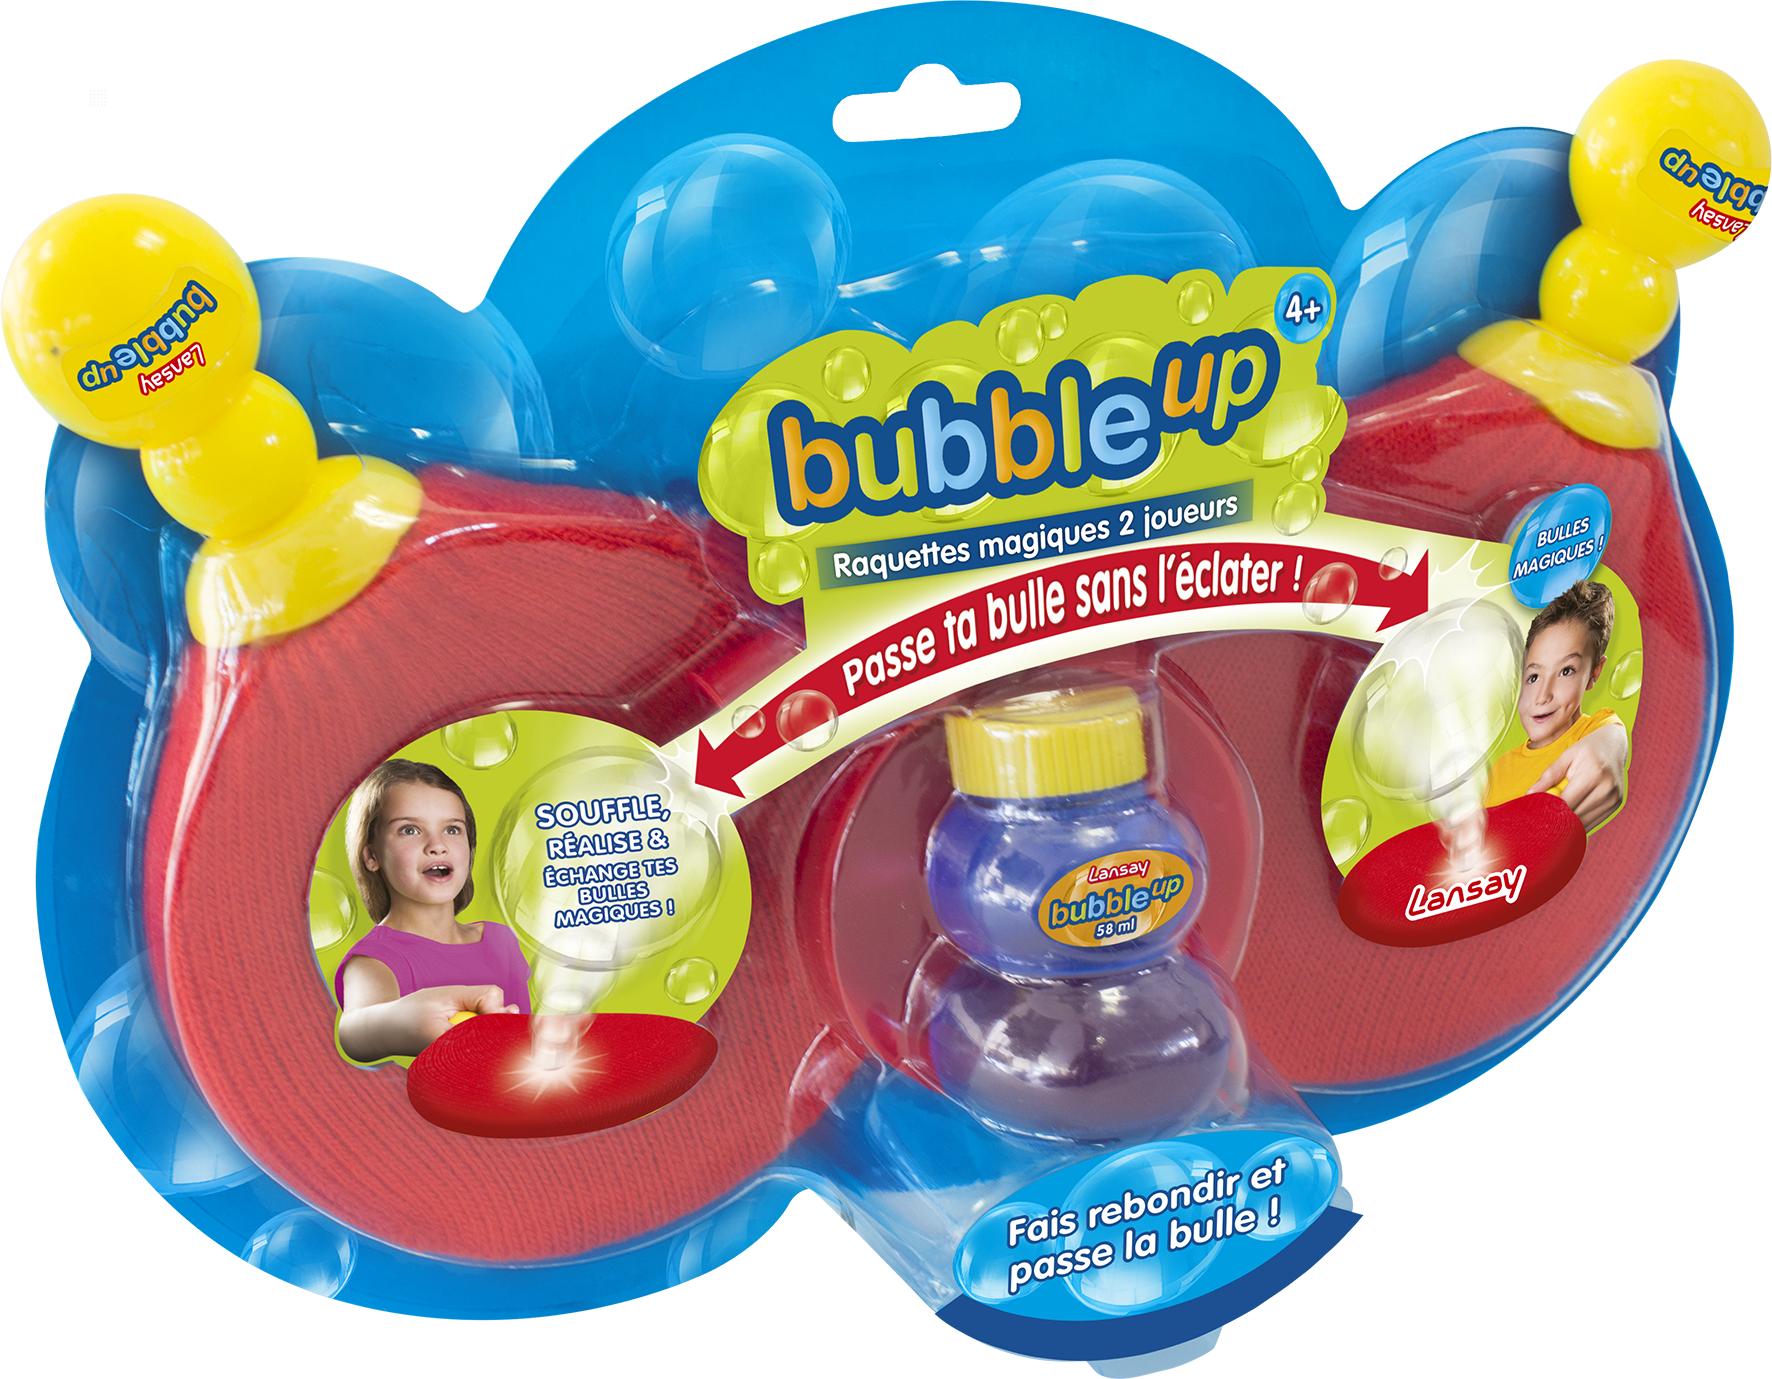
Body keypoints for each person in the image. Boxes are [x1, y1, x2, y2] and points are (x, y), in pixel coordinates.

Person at [333, 758, 532, 1061]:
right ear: (372, 856)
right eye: (410, 830)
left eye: (452, 829)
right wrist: (403, 1022)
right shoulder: (373, 963)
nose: (437, 845)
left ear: (470, 849)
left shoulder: (501, 941)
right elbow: (354, 1031)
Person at [1483, 581, 1629, 830]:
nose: (1543, 696)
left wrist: (1608, 748)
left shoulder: (1594, 732)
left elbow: (1612, 740)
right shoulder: (1498, 770)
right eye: (1533, 677)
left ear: (1595, 672)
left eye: (1566, 671)